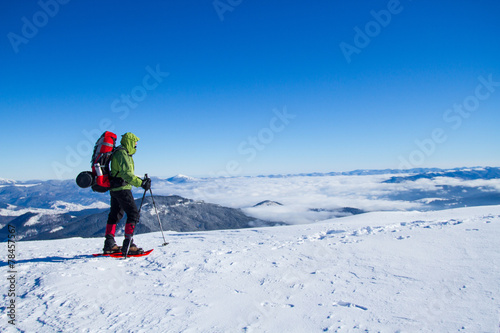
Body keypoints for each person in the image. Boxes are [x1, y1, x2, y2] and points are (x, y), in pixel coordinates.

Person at [102, 132, 151, 255]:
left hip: (115, 188)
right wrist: (141, 183)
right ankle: (128, 244)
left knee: (115, 215)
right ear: (129, 141)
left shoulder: (121, 153)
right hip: (122, 188)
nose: (136, 144)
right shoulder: (122, 153)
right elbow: (126, 174)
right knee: (133, 214)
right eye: (135, 142)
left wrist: (140, 181)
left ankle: (109, 244)